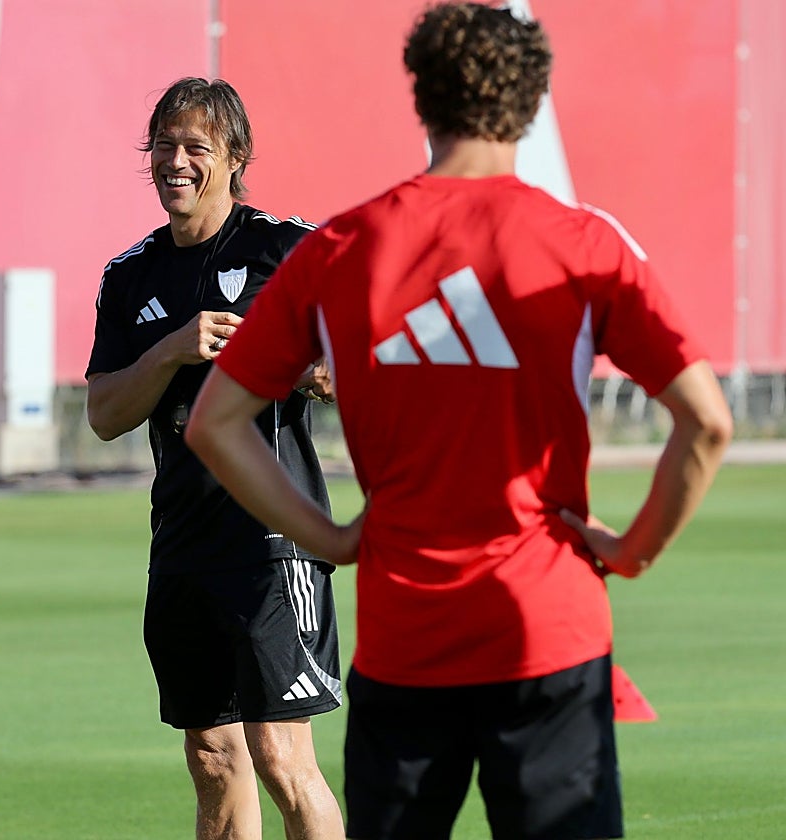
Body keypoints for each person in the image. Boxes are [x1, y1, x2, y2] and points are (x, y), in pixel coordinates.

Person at [185, 4, 733, 839]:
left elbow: (213, 423)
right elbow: (708, 422)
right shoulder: (586, 243)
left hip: (406, 637)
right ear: (532, 101)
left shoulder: (341, 248)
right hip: (549, 633)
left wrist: (330, 538)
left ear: (421, 98)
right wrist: (633, 550)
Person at [85, 77, 345, 840]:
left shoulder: (287, 249)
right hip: (183, 541)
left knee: (280, 756)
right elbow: (104, 415)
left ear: (235, 157)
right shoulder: (129, 276)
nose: (176, 161)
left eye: (196, 146)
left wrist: (306, 367)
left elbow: (358, 359)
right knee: (211, 756)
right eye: (164, 145)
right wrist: (170, 349)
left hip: (273, 538)